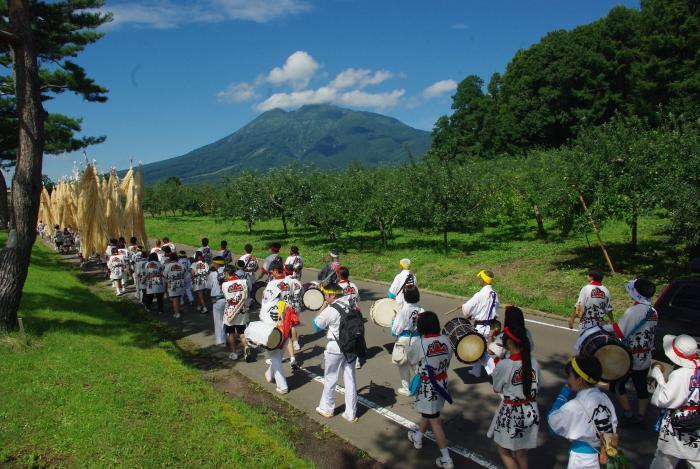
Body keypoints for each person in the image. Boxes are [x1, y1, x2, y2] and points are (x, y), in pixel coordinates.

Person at [548, 355, 618, 469]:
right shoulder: (605, 398)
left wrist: (562, 397)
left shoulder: (575, 405)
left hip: (582, 460)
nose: (568, 379)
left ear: (579, 380)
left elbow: (553, 423)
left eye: (570, 376)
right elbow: (612, 427)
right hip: (606, 454)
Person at [406, 311, 454, 469]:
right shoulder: (446, 340)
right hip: (441, 382)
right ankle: (418, 437)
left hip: (427, 385)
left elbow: (411, 359)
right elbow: (448, 358)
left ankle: (446, 458)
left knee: (435, 420)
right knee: (430, 412)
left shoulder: (419, 343)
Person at [488, 325, 540, 469]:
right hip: (531, 410)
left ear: (510, 343)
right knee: (521, 452)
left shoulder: (504, 365)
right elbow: (537, 386)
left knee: (504, 450)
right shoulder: (534, 362)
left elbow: (496, 388)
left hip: (512, 412)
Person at [610, 277, 658, 426]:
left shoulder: (633, 311)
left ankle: (628, 412)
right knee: (641, 386)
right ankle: (641, 416)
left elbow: (619, 332)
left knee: (617, 384)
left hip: (629, 356)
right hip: (645, 356)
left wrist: (608, 325)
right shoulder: (653, 311)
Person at [648, 334, 700, 468]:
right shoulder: (697, 369)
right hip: (696, 420)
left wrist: (658, 376)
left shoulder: (680, 374)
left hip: (677, 423)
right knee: (696, 459)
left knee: (664, 459)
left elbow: (664, 399)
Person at [313, 283, 359, 422]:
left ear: (332, 295)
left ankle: (327, 408)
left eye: (326, 295)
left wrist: (322, 307)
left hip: (335, 347)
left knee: (331, 377)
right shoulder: (351, 304)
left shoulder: (330, 310)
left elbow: (316, 325)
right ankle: (351, 414)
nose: (325, 298)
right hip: (351, 346)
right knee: (350, 379)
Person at [462, 269, 500, 377]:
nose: (479, 280)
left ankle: (496, 373)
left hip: (481, 328)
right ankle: (476, 371)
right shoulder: (495, 295)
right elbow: (494, 312)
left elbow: (466, 309)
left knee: (481, 352)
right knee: (482, 349)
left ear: (483, 280)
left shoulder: (480, 294)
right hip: (491, 327)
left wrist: (470, 315)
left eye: (480, 278)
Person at [260, 282, 296, 394]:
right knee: (278, 356)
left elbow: (262, 318)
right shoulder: (284, 304)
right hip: (284, 334)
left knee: (275, 359)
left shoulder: (265, 305)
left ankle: (282, 386)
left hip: (272, 335)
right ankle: (269, 374)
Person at [570, 267, 613, 351]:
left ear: (591, 277)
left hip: (587, 324)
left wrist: (572, 319)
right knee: (597, 346)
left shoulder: (586, 288)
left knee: (584, 347)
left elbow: (579, 306)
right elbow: (609, 309)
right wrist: (612, 320)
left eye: (588, 275)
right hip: (601, 324)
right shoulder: (606, 290)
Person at [391, 286, 423, 396]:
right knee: (417, 365)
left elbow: (396, 330)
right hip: (418, 339)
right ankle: (421, 386)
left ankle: (407, 389)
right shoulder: (421, 309)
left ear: (405, 297)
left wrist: (393, 320)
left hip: (404, 339)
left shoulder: (403, 311)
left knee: (403, 364)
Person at [221, 266, 252, 361]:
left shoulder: (225, 285)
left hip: (231, 312)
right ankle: (246, 347)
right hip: (241, 311)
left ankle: (234, 353)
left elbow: (226, 297)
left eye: (224, 274)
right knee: (242, 333)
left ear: (226, 273)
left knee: (230, 333)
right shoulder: (243, 282)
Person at [284, 265, 303, 358]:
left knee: (288, 325)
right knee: (293, 324)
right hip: (297, 306)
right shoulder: (297, 282)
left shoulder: (284, 281)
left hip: (287, 306)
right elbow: (302, 293)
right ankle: (295, 342)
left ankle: (292, 343)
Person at [208, 256, 227, 346]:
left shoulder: (212, 274)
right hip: (228, 299)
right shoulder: (228, 272)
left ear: (216, 264)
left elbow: (208, 286)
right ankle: (228, 338)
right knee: (227, 320)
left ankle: (220, 340)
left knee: (218, 321)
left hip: (217, 300)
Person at [163, 252, 185, 319]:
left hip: (172, 284)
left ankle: (176, 313)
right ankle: (178, 310)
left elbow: (164, 275)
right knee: (178, 297)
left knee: (175, 298)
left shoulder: (168, 266)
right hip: (181, 283)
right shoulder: (181, 265)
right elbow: (185, 273)